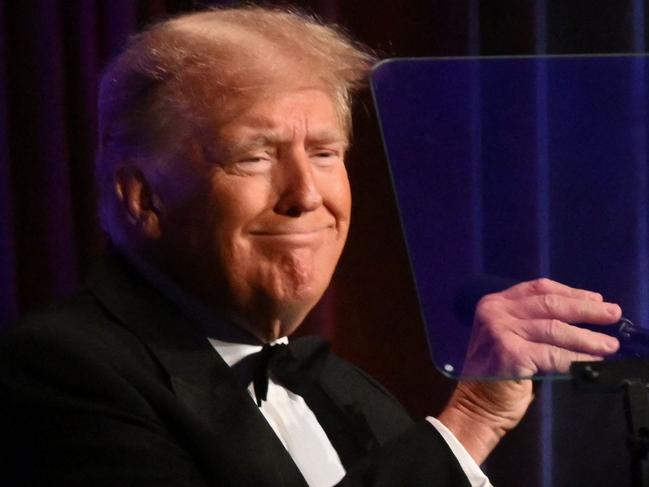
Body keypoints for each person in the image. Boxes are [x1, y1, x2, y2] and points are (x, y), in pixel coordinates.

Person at [0, 6, 623, 487]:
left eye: (324, 154)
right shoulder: (58, 372)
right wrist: (475, 419)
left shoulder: (347, 391)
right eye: (255, 156)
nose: (305, 195)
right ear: (144, 198)